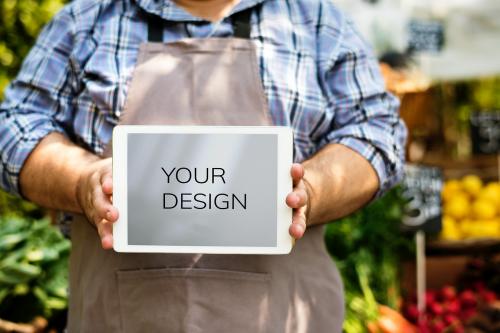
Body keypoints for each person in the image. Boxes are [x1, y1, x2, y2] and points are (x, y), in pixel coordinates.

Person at [0, 0, 406, 332]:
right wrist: (81, 179)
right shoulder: (85, 20)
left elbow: (377, 131)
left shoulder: (317, 23)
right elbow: (15, 127)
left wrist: (314, 189)